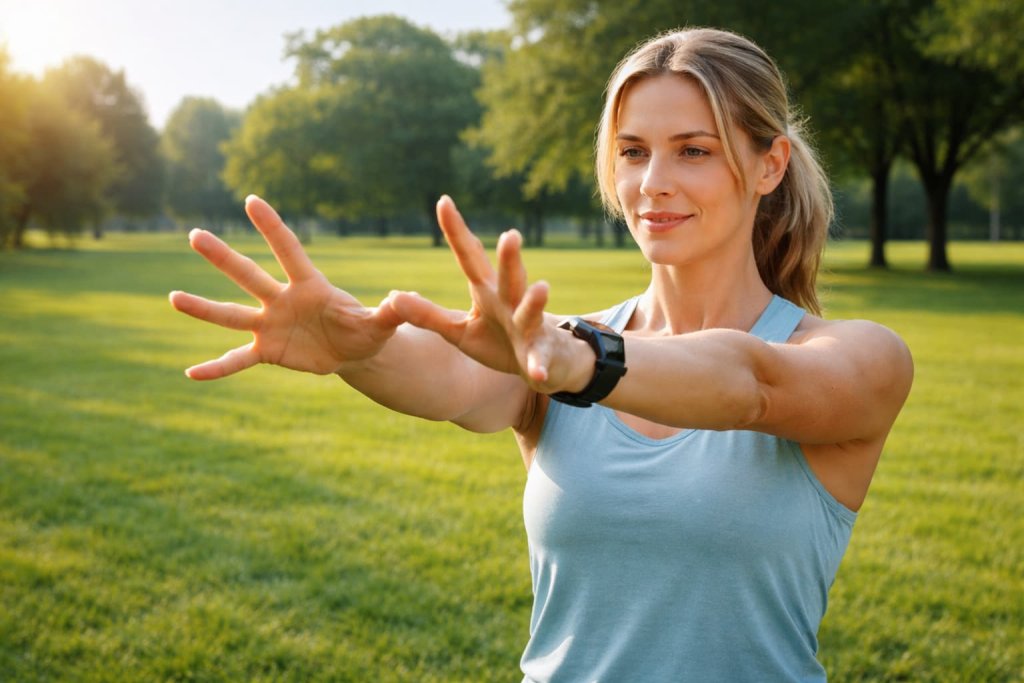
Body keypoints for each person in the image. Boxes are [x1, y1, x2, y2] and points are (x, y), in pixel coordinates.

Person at [169, 27, 913, 683]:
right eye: (633, 152)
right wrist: (353, 349)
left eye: (694, 151)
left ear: (769, 166)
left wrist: (586, 365)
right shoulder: (551, 344)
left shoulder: (858, 357)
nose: (653, 183)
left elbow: (751, 383)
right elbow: (456, 382)